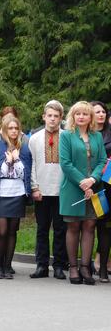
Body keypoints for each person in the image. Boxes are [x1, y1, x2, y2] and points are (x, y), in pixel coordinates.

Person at [59, 101, 107, 285]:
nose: (81, 116)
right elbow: (65, 163)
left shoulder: (97, 136)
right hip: (73, 188)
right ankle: (73, 267)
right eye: (77, 113)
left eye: (85, 114)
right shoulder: (66, 136)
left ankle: (85, 267)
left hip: (94, 188)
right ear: (73, 116)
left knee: (89, 226)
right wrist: (83, 183)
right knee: (73, 227)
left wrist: (92, 180)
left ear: (90, 117)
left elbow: (102, 160)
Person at [0, 114, 32, 279]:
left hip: (17, 193)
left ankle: (7, 266)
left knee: (12, 231)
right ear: (4, 130)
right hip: (0, 194)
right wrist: (7, 162)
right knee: (1, 231)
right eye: (10, 128)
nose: (13, 131)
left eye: (16, 128)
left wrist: (16, 160)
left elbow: (25, 173)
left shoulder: (24, 148)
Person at [28, 100, 67, 280]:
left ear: (61, 118)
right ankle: (41, 265)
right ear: (44, 117)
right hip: (42, 190)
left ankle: (59, 265)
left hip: (61, 190)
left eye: (56, 116)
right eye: (49, 115)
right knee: (42, 228)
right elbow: (32, 164)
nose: (52, 119)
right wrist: (34, 187)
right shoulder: (35, 138)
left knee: (60, 229)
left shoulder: (67, 137)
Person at [90, 101, 111, 282]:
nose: (101, 114)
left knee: (106, 226)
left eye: (103, 111)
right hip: (91, 186)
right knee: (91, 225)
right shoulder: (86, 134)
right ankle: (88, 265)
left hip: (109, 185)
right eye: (97, 112)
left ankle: (103, 267)